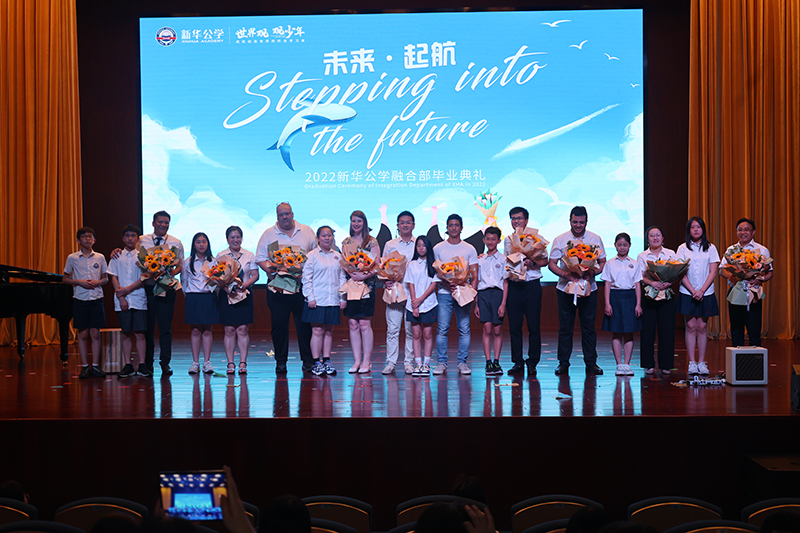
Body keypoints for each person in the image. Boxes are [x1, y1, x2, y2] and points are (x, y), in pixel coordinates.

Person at [255, 202, 317, 374]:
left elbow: (315, 255)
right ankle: (280, 361)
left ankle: (308, 361)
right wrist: (272, 270)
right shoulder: (268, 234)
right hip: (278, 289)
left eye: (287, 213)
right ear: (277, 217)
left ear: (292, 214)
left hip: (301, 288)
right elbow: (260, 258)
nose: (285, 217)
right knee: (279, 327)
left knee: (304, 326)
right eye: (281, 214)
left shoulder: (306, 231)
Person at [548, 206, 606, 375]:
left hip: (589, 289)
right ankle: (563, 363)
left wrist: (592, 272)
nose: (578, 225)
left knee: (588, 327)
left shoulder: (595, 238)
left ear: (586, 221)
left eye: (581, 222)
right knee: (566, 327)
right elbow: (552, 263)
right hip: (565, 289)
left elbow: (602, 262)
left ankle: (591, 363)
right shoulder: (561, 239)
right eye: (575, 222)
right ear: (570, 221)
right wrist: (566, 274)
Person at [504, 207, 548, 376]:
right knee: (514, 326)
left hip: (532, 286)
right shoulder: (508, 240)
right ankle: (517, 362)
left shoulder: (536, 239)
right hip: (514, 285)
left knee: (533, 326)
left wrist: (532, 263)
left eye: (519, 218)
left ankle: (532, 362)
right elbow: (506, 261)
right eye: (513, 218)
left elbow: (545, 260)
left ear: (526, 220)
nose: (516, 221)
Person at [433, 214, 479, 375]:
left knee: (464, 328)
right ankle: (441, 363)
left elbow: (474, 274)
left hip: (463, 294)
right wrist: (447, 283)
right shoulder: (438, 248)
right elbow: (436, 273)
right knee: (442, 329)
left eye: (456, 225)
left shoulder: (469, 248)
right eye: (451, 225)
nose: (453, 228)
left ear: (461, 228)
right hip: (444, 293)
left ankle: (462, 363)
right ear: (447, 227)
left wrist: (472, 294)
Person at [140, 210, 184, 376]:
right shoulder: (141, 240)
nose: (163, 225)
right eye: (160, 222)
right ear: (153, 223)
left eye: (166, 222)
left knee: (165, 327)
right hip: (147, 288)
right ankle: (148, 363)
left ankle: (165, 362)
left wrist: (172, 272)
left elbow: (180, 264)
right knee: (148, 327)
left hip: (167, 288)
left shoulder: (175, 242)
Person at [63, 226, 108, 379]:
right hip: (80, 298)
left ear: (94, 240)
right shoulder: (72, 258)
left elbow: (105, 278)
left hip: (96, 298)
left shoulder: (100, 257)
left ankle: (95, 366)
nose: (87, 239)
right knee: (82, 333)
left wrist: (98, 282)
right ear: (78, 240)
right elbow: (65, 278)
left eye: (90, 236)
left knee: (95, 332)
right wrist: (79, 282)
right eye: (84, 236)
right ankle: (84, 366)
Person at [720, 217, 773, 347]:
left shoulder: (762, 250)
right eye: (740, 230)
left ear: (753, 232)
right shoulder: (731, 250)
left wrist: (759, 279)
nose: (743, 232)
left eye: (746, 230)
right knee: (736, 329)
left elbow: (770, 273)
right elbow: (722, 270)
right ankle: (737, 358)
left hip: (753, 292)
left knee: (754, 328)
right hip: (735, 291)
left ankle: (755, 359)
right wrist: (731, 276)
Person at [676, 216, 720, 375]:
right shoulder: (682, 248)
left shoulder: (711, 248)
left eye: (698, 227)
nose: (696, 229)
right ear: (689, 230)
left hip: (706, 292)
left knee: (702, 326)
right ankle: (692, 363)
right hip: (687, 292)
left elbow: (713, 271)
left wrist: (701, 291)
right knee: (690, 326)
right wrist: (693, 291)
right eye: (693, 227)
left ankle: (702, 362)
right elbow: (680, 272)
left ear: (703, 229)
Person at [301, 226, 347, 376]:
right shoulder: (311, 256)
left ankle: (327, 360)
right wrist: (310, 297)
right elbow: (306, 279)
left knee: (328, 331)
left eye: (329, 235)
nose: (327, 238)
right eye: (324, 236)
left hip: (333, 299)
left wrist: (342, 297)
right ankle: (316, 362)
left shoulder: (337, 256)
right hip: (317, 299)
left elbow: (342, 278)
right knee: (317, 331)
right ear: (318, 238)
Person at [107, 224, 151, 378]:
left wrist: (127, 290)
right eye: (127, 236)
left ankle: (142, 364)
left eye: (133, 236)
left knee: (140, 333)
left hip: (138, 297)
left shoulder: (143, 256)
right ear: (123, 238)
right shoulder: (117, 255)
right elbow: (113, 276)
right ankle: (128, 364)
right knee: (126, 333)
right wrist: (121, 295)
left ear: (138, 238)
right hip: (122, 299)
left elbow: (145, 277)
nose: (130, 238)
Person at [216, 226, 260, 375]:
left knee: (242, 329)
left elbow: (255, 275)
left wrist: (244, 285)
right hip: (227, 295)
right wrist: (226, 289)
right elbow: (216, 277)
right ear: (227, 239)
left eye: (238, 237)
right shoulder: (221, 256)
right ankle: (230, 363)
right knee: (229, 330)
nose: (235, 240)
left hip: (244, 294)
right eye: (232, 237)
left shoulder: (249, 255)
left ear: (241, 238)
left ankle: (242, 362)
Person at [341, 210, 380, 373]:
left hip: (367, 286)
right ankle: (356, 361)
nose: (356, 224)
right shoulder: (346, 242)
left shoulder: (371, 242)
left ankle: (366, 362)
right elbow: (344, 263)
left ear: (364, 223)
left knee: (364, 323)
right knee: (353, 323)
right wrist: (352, 274)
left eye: (359, 221)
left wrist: (364, 276)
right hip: (351, 285)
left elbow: (376, 265)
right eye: (353, 221)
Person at [637, 225, 678, 375]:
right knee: (647, 331)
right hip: (649, 296)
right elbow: (640, 276)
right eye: (652, 235)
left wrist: (669, 282)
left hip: (666, 295)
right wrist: (652, 283)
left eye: (658, 235)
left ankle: (666, 364)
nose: (655, 238)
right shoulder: (642, 256)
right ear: (647, 239)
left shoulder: (670, 253)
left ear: (663, 237)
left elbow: (676, 272)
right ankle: (648, 364)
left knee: (667, 330)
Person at [601, 233, 643, 376]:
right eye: (619, 245)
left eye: (625, 245)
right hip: (615, 298)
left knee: (629, 333)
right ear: (615, 246)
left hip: (630, 298)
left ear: (629, 246)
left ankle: (627, 364)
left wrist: (638, 304)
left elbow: (637, 285)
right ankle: (619, 364)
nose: (622, 247)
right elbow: (607, 284)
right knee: (617, 332)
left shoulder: (635, 264)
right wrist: (607, 303)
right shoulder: (610, 263)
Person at [381, 210, 416, 375]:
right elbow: (383, 266)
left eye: (408, 222)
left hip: (413, 293)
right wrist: (385, 280)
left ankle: (409, 363)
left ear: (413, 225)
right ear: (397, 225)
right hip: (394, 290)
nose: (405, 225)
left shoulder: (418, 244)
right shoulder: (390, 244)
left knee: (411, 330)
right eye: (402, 222)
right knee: (393, 329)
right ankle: (391, 363)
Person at [181, 232, 218, 375]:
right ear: (194, 245)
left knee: (207, 330)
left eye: (204, 242)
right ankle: (195, 362)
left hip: (208, 297)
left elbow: (217, 282)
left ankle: (207, 362)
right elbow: (184, 282)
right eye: (198, 242)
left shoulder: (214, 262)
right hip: (193, 298)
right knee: (195, 330)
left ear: (208, 244)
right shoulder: (187, 262)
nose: (201, 245)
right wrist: (190, 296)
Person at [474, 227, 508, 376]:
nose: (490, 242)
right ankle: (488, 362)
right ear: (484, 240)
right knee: (487, 328)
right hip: (483, 294)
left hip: (498, 295)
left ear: (499, 241)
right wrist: (476, 303)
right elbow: (476, 281)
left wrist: (503, 304)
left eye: (493, 239)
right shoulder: (479, 259)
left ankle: (496, 361)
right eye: (487, 239)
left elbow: (506, 282)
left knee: (497, 330)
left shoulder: (504, 259)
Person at [404, 235, 439, 377]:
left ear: (428, 247)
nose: (421, 248)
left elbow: (434, 285)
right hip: (413, 305)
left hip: (429, 304)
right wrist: (415, 304)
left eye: (424, 245)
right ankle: (418, 364)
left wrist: (421, 300)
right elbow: (411, 284)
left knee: (427, 334)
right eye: (418, 245)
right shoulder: (411, 264)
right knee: (416, 334)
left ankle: (426, 364)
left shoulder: (434, 265)